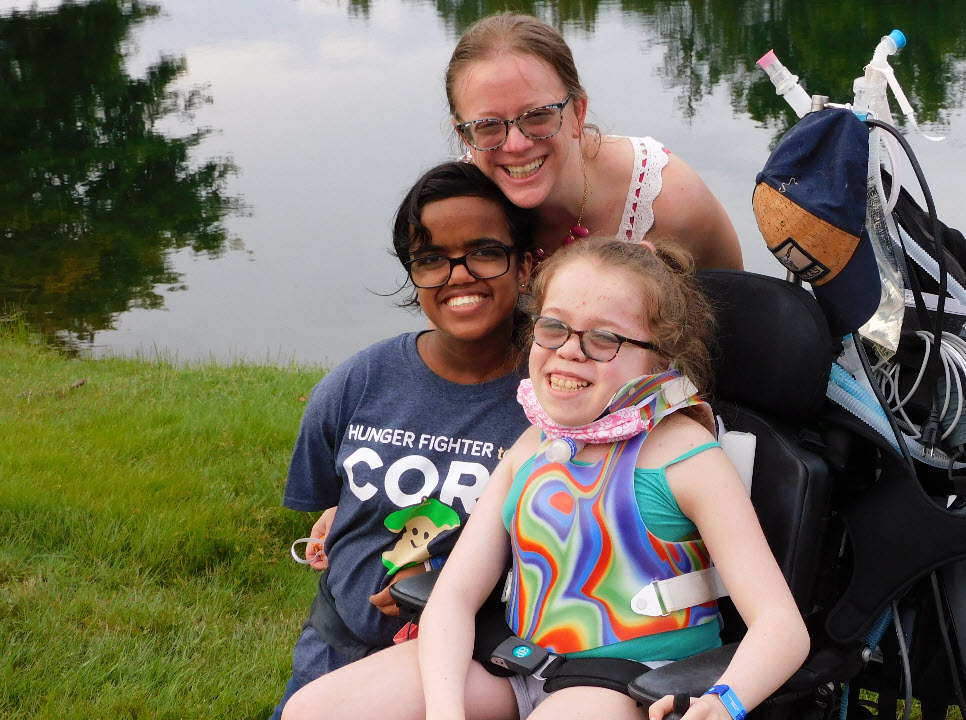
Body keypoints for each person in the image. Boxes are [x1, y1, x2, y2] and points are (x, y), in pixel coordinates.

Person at [283, 237, 809, 720]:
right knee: (314, 708)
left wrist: (725, 700)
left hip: (628, 687)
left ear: (661, 357)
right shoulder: (534, 445)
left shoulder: (688, 459)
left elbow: (782, 629)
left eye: (604, 338)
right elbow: (455, 596)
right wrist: (445, 710)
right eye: (553, 327)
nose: (569, 350)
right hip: (515, 663)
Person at [270, 161, 536, 718]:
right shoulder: (358, 382)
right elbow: (333, 500)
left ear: (527, 264)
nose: (458, 274)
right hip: (332, 654)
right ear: (412, 275)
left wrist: (452, 585)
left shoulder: (550, 400)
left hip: (472, 674)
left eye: (485, 251)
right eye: (432, 259)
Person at [445, 12, 743, 271]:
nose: (516, 145)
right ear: (464, 135)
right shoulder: (452, 209)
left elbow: (743, 322)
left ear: (577, 112)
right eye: (488, 125)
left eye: (537, 116)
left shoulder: (667, 199)